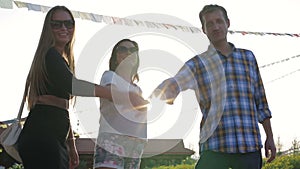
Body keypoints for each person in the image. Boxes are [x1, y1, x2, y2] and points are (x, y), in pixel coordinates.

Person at [17, 6, 147, 169]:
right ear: (48, 28)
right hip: (42, 134)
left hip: (56, 134)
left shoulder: (61, 60)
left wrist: (71, 146)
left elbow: (63, 107)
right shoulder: (49, 55)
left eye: (69, 24)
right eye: (56, 24)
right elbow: (74, 86)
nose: (64, 28)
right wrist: (122, 96)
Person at [151, 4, 276, 169]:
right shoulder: (198, 63)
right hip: (215, 146)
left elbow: (261, 101)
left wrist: (270, 137)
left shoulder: (248, 58)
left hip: (249, 145)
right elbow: (178, 80)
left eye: (219, 21)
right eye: (209, 24)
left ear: (228, 23)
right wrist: (167, 89)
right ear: (204, 29)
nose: (215, 27)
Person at [94, 39, 147, 169]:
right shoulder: (110, 76)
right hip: (113, 137)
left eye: (133, 50)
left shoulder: (138, 89)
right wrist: (132, 99)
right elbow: (113, 95)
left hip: (135, 142)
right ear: (115, 57)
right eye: (122, 49)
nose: (128, 53)